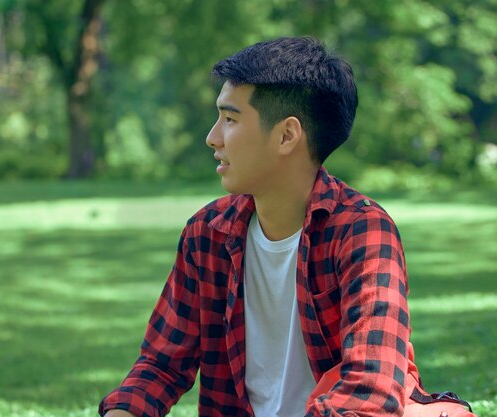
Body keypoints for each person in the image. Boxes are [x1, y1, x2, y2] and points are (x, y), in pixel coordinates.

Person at [99, 36, 419, 417]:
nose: (212, 137)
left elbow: (370, 390)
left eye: (230, 119)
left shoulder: (362, 233)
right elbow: (161, 366)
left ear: (287, 135)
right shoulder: (208, 233)